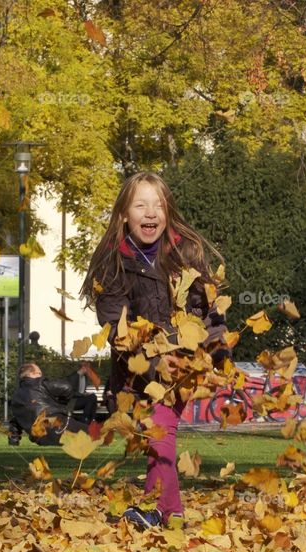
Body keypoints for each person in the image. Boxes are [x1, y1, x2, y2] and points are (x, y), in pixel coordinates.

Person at [81, 171, 231, 530]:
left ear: (168, 211)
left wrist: (216, 350)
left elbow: (209, 310)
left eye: (158, 205)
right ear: (124, 215)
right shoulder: (112, 264)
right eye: (140, 205)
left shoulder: (186, 253)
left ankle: (160, 511)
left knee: (161, 428)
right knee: (158, 432)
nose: (150, 213)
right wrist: (155, 361)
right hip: (135, 371)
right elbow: (118, 328)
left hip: (183, 364)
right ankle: (164, 511)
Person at [9, 362, 89, 446]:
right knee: (96, 436)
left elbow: (15, 423)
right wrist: (62, 403)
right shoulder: (40, 383)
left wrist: (13, 440)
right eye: (39, 373)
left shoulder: (15, 397)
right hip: (59, 427)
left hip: (41, 439)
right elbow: (66, 387)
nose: (41, 375)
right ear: (31, 374)